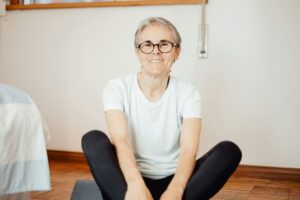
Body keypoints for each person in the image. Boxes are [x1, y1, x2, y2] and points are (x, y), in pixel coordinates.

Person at [82, 17, 242, 200]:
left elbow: (189, 150)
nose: (156, 52)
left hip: (176, 181)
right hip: (129, 180)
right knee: (92, 139)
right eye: (147, 45)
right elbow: (121, 141)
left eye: (164, 44)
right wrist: (135, 185)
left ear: (177, 52)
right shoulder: (117, 88)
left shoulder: (189, 94)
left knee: (230, 150)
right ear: (137, 52)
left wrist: (176, 190)